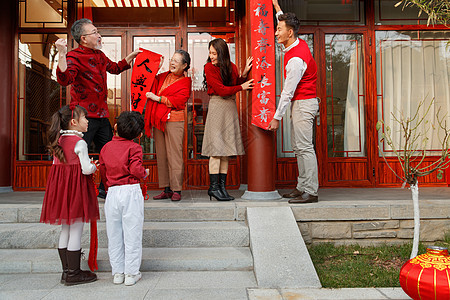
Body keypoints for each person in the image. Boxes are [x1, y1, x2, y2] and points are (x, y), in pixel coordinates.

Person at [55, 18, 140, 199]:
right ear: (84, 38)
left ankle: (104, 188)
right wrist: (62, 54)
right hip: (82, 117)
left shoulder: (100, 55)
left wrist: (130, 57)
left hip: (102, 115)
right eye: (94, 32)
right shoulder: (74, 57)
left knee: (108, 151)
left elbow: (115, 68)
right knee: (77, 154)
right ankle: (74, 190)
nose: (99, 35)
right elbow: (65, 79)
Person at [40, 105, 99, 286]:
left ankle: (66, 271)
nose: (87, 121)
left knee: (65, 228)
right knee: (76, 229)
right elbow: (86, 169)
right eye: (84, 118)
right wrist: (95, 165)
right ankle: (74, 273)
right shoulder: (79, 143)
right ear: (74, 122)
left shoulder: (59, 141)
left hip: (61, 191)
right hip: (76, 190)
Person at [268, 0, 319, 204]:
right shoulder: (297, 41)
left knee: (305, 147)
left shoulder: (296, 60)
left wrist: (276, 118)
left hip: (304, 104)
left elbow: (287, 93)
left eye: (278, 29)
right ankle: (302, 187)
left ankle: (311, 191)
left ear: (289, 33)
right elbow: (282, 20)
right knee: (299, 147)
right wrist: (276, 7)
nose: (275, 32)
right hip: (302, 103)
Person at [99, 111, 149, 286]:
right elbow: (136, 169)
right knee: (132, 233)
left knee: (114, 234)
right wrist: (145, 173)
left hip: (112, 192)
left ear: (115, 127)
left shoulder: (106, 148)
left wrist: (108, 188)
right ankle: (131, 273)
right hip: (130, 191)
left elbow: (103, 173)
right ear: (139, 134)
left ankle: (118, 273)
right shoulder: (135, 148)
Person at [202, 38, 254, 201]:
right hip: (218, 105)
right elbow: (221, 90)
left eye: (214, 53)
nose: (211, 56)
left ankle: (222, 188)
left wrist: (243, 74)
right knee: (216, 152)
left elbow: (233, 83)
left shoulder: (232, 67)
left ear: (222, 53)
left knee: (225, 152)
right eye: (210, 53)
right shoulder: (208, 68)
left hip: (230, 107)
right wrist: (241, 87)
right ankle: (214, 188)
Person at [145, 50, 192, 201]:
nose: (172, 63)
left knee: (175, 155)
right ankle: (166, 188)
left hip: (175, 121)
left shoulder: (186, 82)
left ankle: (176, 189)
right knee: (162, 154)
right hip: (159, 119)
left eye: (176, 61)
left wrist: (157, 98)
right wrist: (156, 68)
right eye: (172, 59)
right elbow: (149, 82)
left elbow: (179, 102)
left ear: (185, 65)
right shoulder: (163, 76)